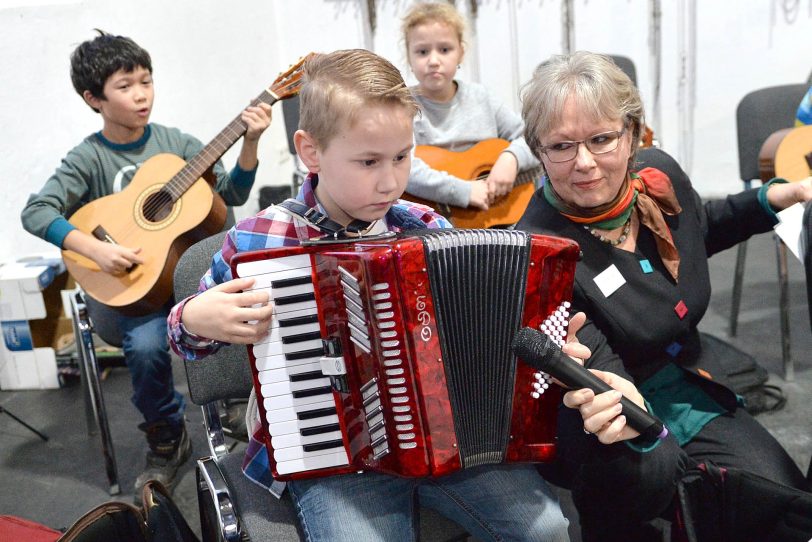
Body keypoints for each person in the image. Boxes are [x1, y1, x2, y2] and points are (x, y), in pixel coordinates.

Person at [166, 48, 670, 542]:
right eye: (368, 161)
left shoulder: (425, 227)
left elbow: (482, 335)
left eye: (403, 157)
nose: (390, 181)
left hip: (444, 442)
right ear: (310, 151)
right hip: (334, 457)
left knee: (546, 528)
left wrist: (546, 348)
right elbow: (189, 341)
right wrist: (194, 319)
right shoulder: (262, 240)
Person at [517, 50, 812, 540]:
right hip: (608, 408)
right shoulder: (542, 252)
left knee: (783, 508)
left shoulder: (657, 177)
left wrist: (769, 199)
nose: (584, 162)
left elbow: (698, 228)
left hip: (688, 375)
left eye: (601, 138)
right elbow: (595, 368)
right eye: (561, 146)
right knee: (649, 479)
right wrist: (618, 394)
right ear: (539, 152)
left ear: (632, 135)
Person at [20, 31, 273, 496]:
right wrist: (94, 249)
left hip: (186, 278)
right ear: (93, 98)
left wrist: (251, 143)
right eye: (125, 85)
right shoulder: (87, 158)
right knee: (147, 344)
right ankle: (166, 437)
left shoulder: (177, 144)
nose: (141, 95)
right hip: (131, 290)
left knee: (240, 306)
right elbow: (36, 212)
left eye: (147, 81)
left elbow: (231, 196)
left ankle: (239, 407)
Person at [402, 1, 539, 213]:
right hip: (432, 221)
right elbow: (404, 168)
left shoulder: (482, 98)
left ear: (461, 53)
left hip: (495, 219)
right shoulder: (404, 107)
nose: (434, 60)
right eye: (422, 52)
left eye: (445, 49)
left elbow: (534, 139)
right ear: (409, 57)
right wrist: (463, 191)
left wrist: (511, 158)